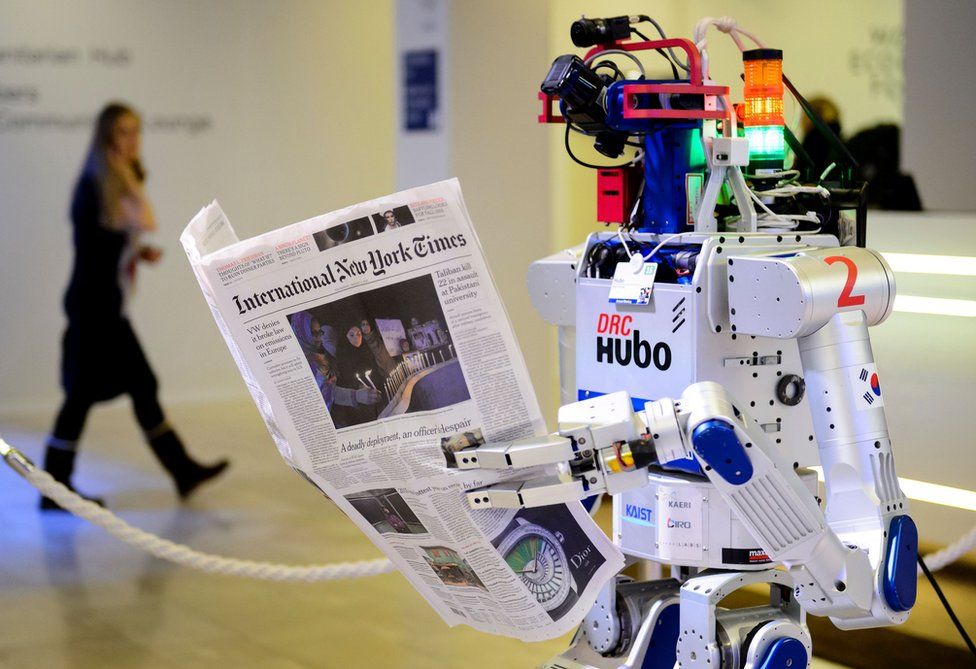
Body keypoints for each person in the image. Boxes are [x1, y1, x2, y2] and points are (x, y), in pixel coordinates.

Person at [41, 102, 228, 511]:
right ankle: (54, 486)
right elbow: (146, 219)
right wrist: (129, 176)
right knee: (82, 395)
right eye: (124, 132)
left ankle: (181, 470)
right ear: (107, 138)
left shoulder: (105, 183)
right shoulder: (99, 182)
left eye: (136, 132)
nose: (133, 140)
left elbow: (110, 239)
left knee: (137, 387)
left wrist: (137, 254)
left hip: (104, 307)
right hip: (94, 309)